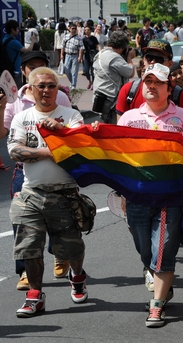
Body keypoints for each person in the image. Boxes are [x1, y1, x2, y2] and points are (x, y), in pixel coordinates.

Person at [113, 63, 183, 327]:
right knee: (144, 251)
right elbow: (118, 156)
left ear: (168, 88)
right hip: (136, 195)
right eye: (147, 81)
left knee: (163, 250)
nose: (151, 86)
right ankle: (160, 280)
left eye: (157, 82)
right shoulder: (128, 118)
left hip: (169, 196)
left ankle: (156, 306)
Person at [8, 67, 89, 317]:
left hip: (65, 194)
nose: (46, 90)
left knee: (71, 250)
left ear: (58, 89)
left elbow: (79, 150)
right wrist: (52, 151)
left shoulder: (72, 116)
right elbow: (15, 152)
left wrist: (59, 132)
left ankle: (77, 276)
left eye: (51, 86)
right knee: (29, 247)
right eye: (40, 86)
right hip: (30, 193)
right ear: (31, 90)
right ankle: (34, 295)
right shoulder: (22, 118)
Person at [1, 51, 73, 289]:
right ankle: (24, 272)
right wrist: (1, 108)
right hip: (23, 173)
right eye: (32, 67)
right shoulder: (15, 102)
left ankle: (60, 253)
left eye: (42, 66)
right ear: (23, 72)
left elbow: (72, 133)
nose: (46, 89)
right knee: (22, 223)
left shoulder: (60, 98)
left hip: (61, 174)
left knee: (59, 220)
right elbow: (6, 137)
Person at [116, 39, 183, 123]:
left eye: (159, 59)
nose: (153, 62)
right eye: (149, 58)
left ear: (170, 64)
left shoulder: (179, 95)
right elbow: (120, 129)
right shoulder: (128, 90)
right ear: (144, 60)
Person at [92, 31, 135, 124]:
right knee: (112, 127)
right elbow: (130, 73)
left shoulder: (99, 54)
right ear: (121, 48)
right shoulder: (114, 57)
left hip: (99, 97)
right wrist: (129, 58)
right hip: (110, 100)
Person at [2, 20, 35, 88]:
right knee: (17, 92)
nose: (18, 30)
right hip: (15, 70)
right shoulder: (13, 42)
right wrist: (32, 41)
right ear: (12, 30)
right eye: (17, 28)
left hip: (8, 69)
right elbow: (27, 51)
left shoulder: (5, 39)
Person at [61, 23, 84, 90]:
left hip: (75, 55)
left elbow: (81, 48)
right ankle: (72, 81)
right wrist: (61, 55)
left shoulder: (78, 38)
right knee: (66, 70)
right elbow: (62, 46)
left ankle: (73, 85)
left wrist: (80, 57)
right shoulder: (65, 37)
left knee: (74, 72)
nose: (73, 30)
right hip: (67, 55)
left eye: (75, 28)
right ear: (69, 28)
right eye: (72, 28)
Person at [82, 26, 99, 90]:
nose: (87, 31)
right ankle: (90, 81)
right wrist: (80, 57)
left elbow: (98, 45)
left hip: (93, 55)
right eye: (85, 30)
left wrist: (100, 52)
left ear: (90, 31)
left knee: (92, 71)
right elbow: (81, 49)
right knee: (86, 71)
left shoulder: (93, 38)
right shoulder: (83, 39)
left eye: (88, 30)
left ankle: (93, 84)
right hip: (86, 56)